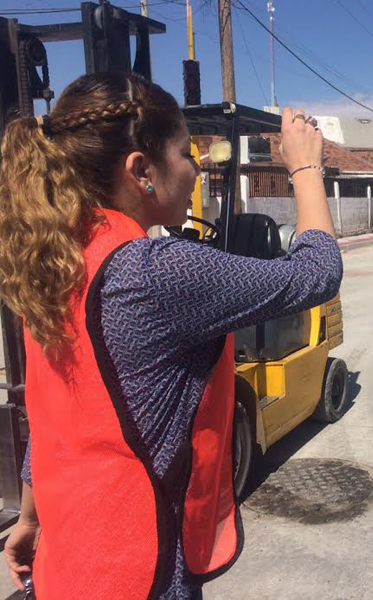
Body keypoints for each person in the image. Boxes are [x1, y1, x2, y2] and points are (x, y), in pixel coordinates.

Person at [0, 72, 342, 599]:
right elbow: (317, 272)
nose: (195, 170)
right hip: (139, 574)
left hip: (63, 566)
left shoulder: (54, 262)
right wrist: (305, 167)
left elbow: (52, 416)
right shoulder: (156, 271)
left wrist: (29, 519)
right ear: (142, 170)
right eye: (187, 155)